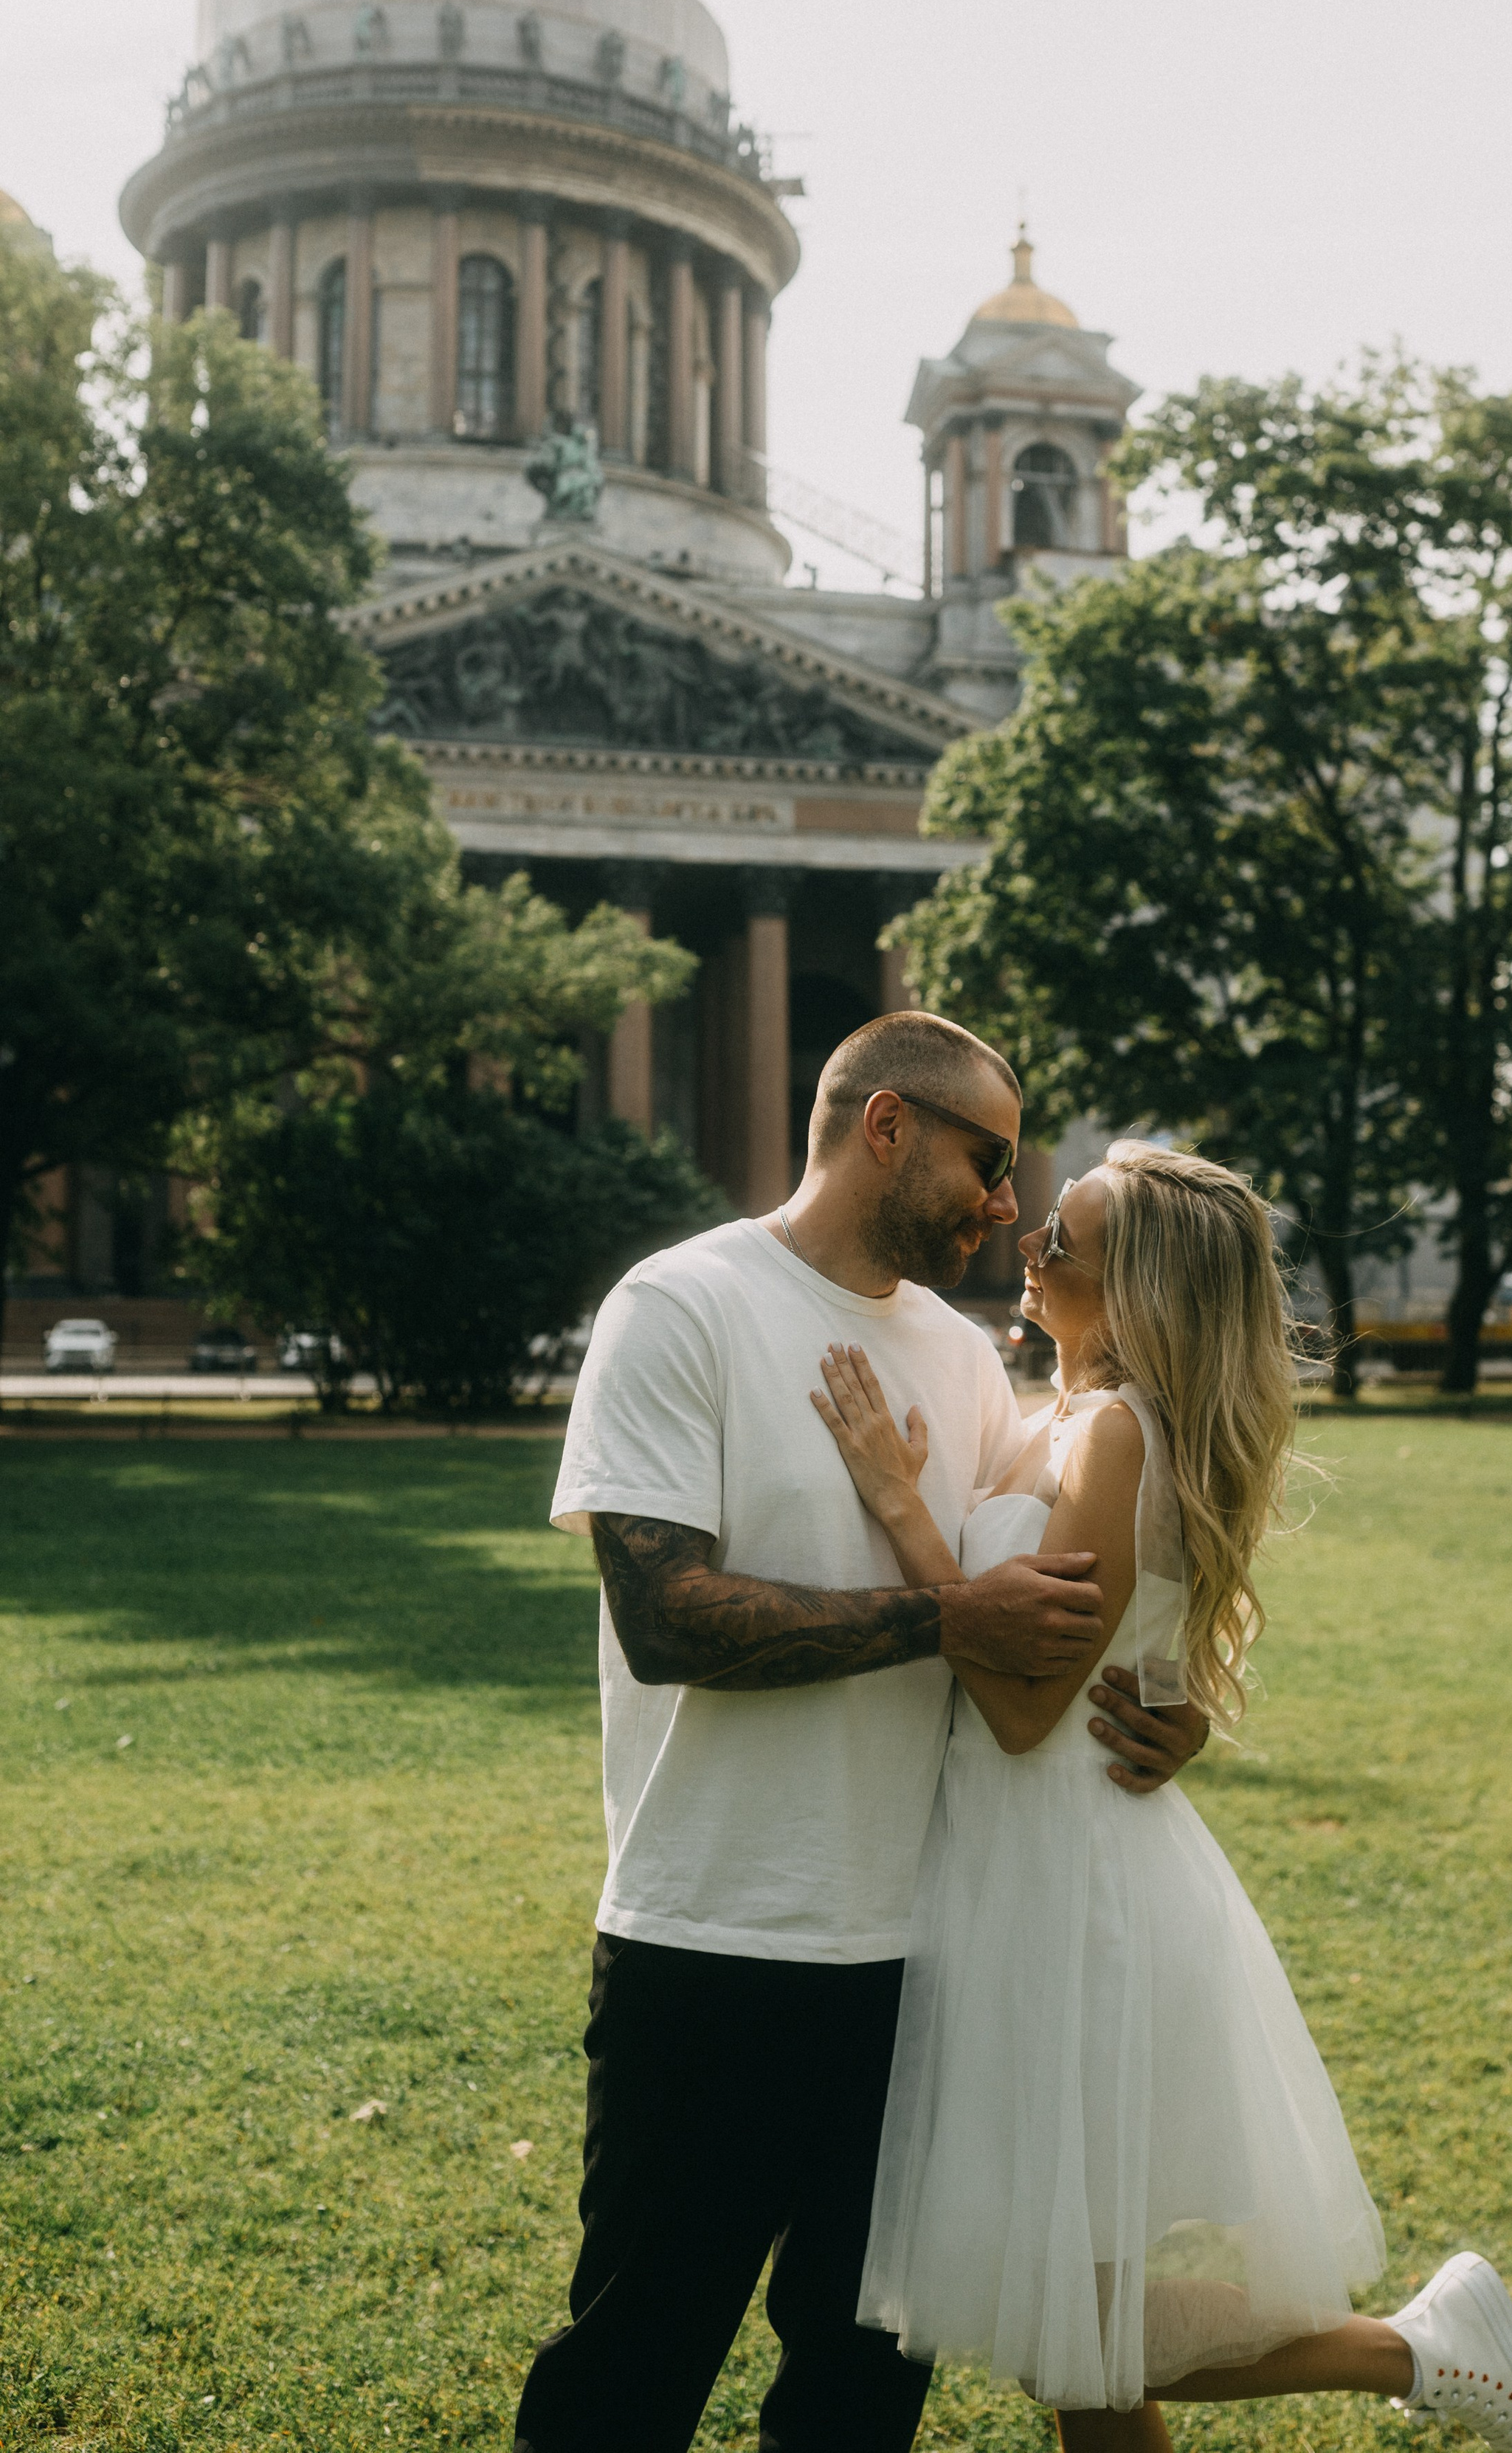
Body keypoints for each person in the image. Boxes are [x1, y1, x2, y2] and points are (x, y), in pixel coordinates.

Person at [809, 1144, 1512, 2453]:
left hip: (1065, 1882)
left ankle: (1416, 2349)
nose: (1035, 1241)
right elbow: (1112, 1654)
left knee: (1074, 2321)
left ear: (1140, 1290)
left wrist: (897, 1500)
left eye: (1070, 1236)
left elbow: (1019, 1709)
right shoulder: (1058, 1413)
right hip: (1020, 1866)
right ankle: (1423, 2345)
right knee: (1077, 2341)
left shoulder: (1111, 1433)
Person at [511, 1015, 1209, 2453]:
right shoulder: (680, 1306)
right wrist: (940, 1628)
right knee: (624, 2382)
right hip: (712, 1944)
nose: (1006, 1204)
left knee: (854, 2403)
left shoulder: (960, 1363)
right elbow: (668, 1618)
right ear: (885, 1126)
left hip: (925, 1969)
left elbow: (1053, 1595)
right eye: (985, 1160)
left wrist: (1159, 1704)